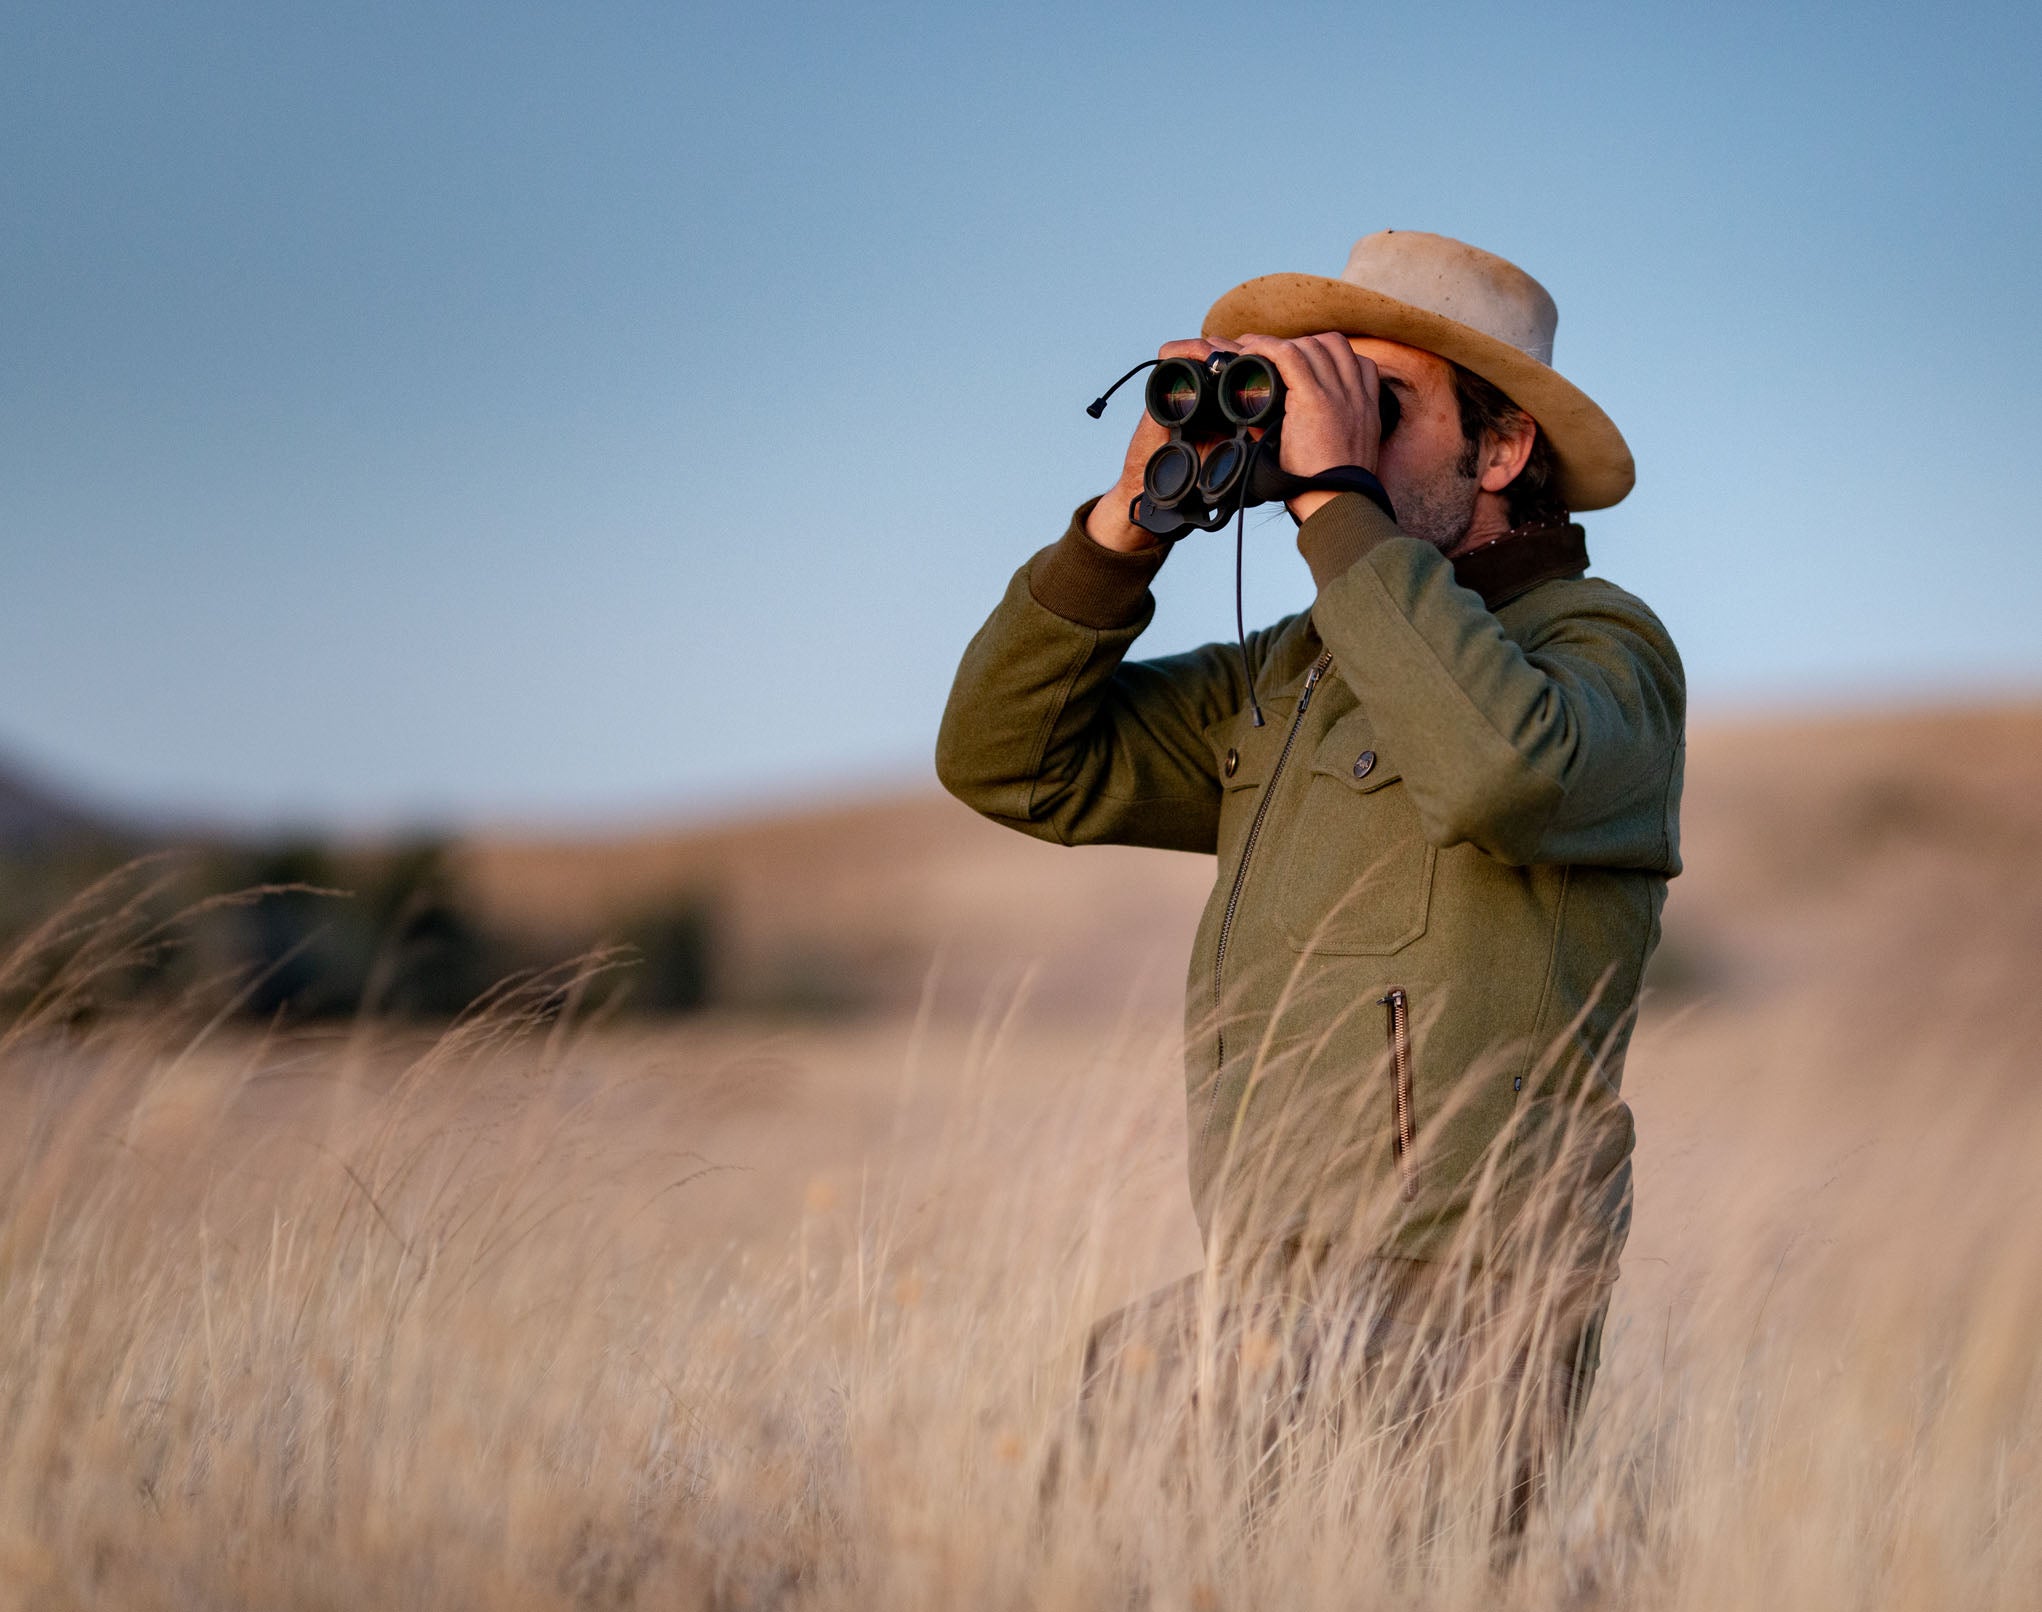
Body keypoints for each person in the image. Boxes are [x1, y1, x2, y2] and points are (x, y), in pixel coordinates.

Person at [935, 230, 1684, 1521]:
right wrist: (1123, 534)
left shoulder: (1595, 647)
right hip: (1271, 1265)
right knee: (1122, 1479)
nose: (1317, 443)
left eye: (1377, 406)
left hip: (1467, 1279)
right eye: (1303, 400)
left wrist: (1338, 505)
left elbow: (1503, 773)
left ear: (1501, 450)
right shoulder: (1292, 674)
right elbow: (1014, 765)